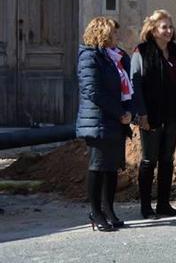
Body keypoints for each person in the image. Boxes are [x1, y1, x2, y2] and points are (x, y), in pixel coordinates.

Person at [75, 17, 133, 232]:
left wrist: (128, 113)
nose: (118, 37)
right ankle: (95, 212)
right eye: (115, 34)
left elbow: (129, 85)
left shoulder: (117, 57)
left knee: (111, 168)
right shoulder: (89, 56)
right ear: (104, 34)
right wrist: (119, 113)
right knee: (98, 167)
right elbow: (93, 90)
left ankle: (108, 209)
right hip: (98, 120)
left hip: (116, 120)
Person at [131, 10, 176, 219]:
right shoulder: (142, 51)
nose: (169, 31)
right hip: (151, 114)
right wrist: (141, 114)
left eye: (170, 27)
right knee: (149, 160)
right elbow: (135, 84)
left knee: (167, 159)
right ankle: (146, 207)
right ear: (153, 30)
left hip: (172, 113)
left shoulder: (175, 51)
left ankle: (164, 204)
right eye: (164, 27)